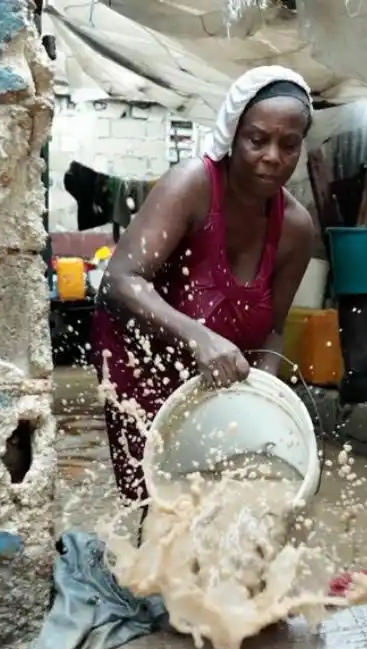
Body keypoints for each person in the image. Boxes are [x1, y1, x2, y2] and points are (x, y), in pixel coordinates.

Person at [90, 66, 318, 506]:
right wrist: (199, 338)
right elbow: (119, 281)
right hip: (143, 360)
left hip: (216, 376)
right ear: (233, 134)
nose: (273, 156)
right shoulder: (192, 185)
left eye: (289, 145)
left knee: (231, 497)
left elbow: (273, 329)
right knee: (159, 501)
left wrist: (262, 397)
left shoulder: (296, 229)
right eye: (257, 140)